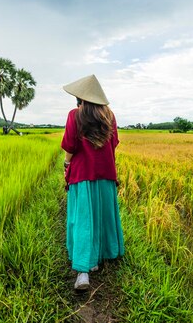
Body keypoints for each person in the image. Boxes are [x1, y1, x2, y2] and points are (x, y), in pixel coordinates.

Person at [61, 74, 125, 291]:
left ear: (81, 97)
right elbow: (113, 143)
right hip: (106, 173)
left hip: (82, 173)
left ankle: (83, 271)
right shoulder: (110, 116)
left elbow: (70, 146)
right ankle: (100, 256)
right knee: (101, 215)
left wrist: (66, 165)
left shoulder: (74, 115)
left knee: (84, 219)